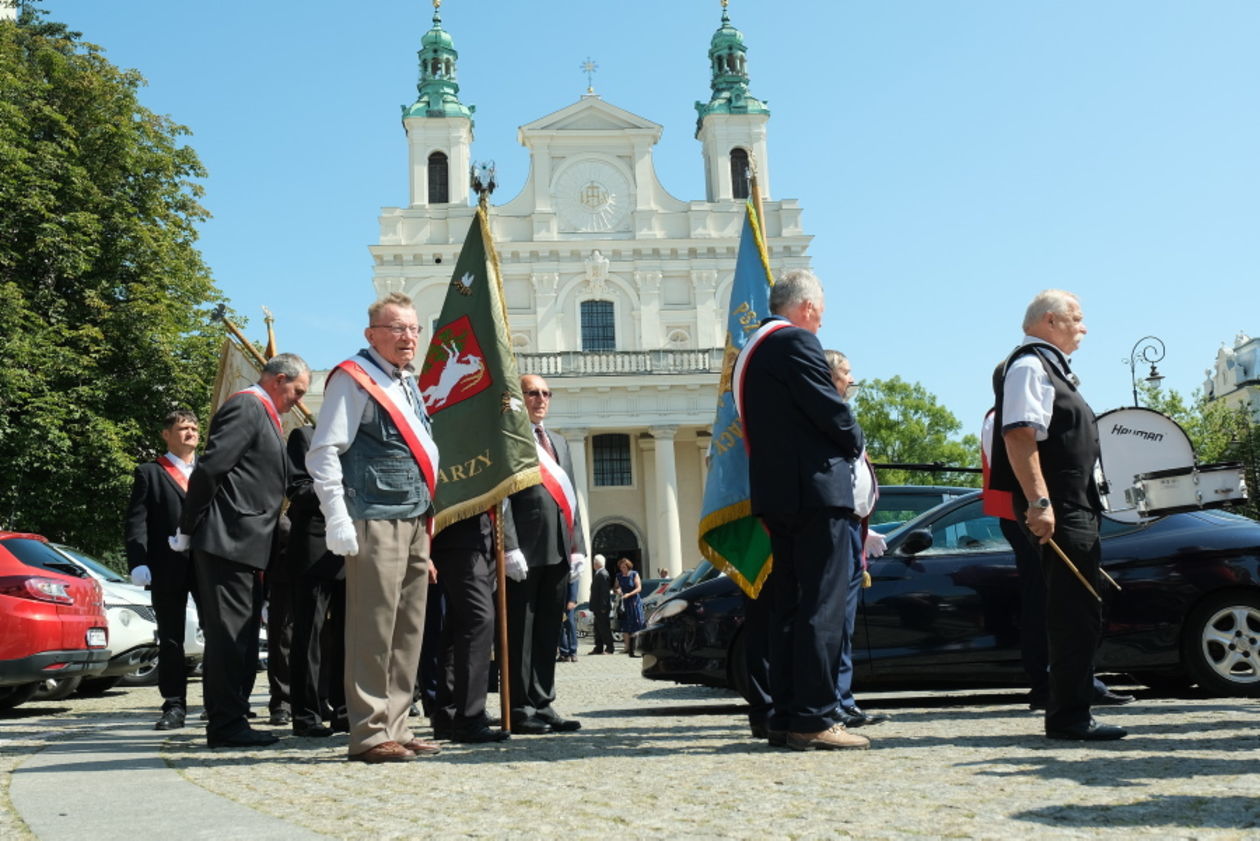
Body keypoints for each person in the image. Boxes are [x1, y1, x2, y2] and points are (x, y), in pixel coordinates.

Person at [734, 268, 869, 751]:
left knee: (789, 608)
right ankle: (813, 716)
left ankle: (786, 715)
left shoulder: (753, 348)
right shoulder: (796, 342)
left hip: (779, 495)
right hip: (816, 494)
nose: (821, 322)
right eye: (822, 312)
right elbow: (829, 411)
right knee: (823, 607)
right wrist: (856, 437)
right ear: (808, 307)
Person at [306, 292, 443, 763]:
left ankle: (398, 727)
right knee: (373, 626)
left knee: (408, 629)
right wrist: (337, 516)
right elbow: (324, 451)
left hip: (412, 517)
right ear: (372, 335)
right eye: (397, 329)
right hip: (374, 515)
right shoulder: (354, 380)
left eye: (413, 329)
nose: (408, 338)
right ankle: (367, 732)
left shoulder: (408, 383)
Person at [986, 289, 1126, 741]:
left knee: (1080, 607)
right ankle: (1069, 717)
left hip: (1072, 504)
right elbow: (1020, 436)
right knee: (1072, 610)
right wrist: (1040, 502)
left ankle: (1074, 709)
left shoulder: (1052, 368)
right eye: (1078, 319)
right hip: (1060, 506)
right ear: (1051, 320)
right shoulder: (1030, 365)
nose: (1084, 328)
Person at [175, 353, 310, 748]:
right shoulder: (247, 405)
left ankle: (232, 719)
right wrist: (187, 527)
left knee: (242, 637)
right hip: (228, 539)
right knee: (230, 637)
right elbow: (211, 468)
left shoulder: (265, 411)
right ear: (278, 379)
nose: (298, 401)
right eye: (297, 391)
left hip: (245, 542)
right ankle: (225, 724)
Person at [504, 373, 587, 734]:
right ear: (519, 398)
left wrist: (578, 546)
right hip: (524, 547)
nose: (540, 399)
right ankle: (520, 707)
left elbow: (571, 498)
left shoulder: (558, 441)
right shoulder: (509, 438)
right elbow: (501, 496)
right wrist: (508, 546)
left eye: (546, 393)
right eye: (532, 393)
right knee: (521, 631)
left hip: (557, 548)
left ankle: (543, 701)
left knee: (548, 630)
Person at [822, 350, 889, 729]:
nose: (851, 379)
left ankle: (843, 698)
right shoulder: (828, 414)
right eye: (846, 372)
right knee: (835, 620)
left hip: (852, 526)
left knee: (845, 622)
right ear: (830, 376)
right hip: (836, 524)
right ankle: (833, 699)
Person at [124, 409, 201, 731]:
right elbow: (136, 521)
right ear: (166, 434)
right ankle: (174, 705)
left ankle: (221, 703)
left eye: (195, 428)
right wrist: (138, 561)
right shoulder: (150, 472)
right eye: (183, 428)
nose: (191, 433)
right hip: (166, 566)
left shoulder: (210, 470)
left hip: (207, 563)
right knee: (171, 639)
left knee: (219, 634)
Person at [428, 508, 514, 744]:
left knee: (458, 625)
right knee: (479, 619)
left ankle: (449, 715)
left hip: (476, 535)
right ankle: (469, 717)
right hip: (459, 534)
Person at [285, 424, 347, 738]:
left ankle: (345, 710)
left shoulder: (359, 440)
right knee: (309, 634)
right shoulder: (305, 436)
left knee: (349, 635)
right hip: (314, 546)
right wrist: (340, 487)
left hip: (352, 549)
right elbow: (297, 488)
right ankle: (306, 714)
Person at [614, 558, 644, 657]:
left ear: (628, 566)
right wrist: (618, 590)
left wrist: (629, 594)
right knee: (625, 624)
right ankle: (627, 647)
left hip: (634, 602)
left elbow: (639, 588)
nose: (622, 569)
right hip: (624, 603)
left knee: (636, 623)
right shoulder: (619, 576)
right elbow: (616, 587)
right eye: (621, 567)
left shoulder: (634, 574)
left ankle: (637, 646)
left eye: (624, 567)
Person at [588, 554, 615, 655]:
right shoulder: (599, 573)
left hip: (601, 607)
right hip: (597, 606)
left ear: (597, 563)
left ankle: (609, 648)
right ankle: (598, 647)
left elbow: (604, 592)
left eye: (594, 563)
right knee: (597, 628)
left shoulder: (603, 574)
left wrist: (603, 606)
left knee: (604, 628)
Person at [557, 575, 579, 663]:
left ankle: (573, 652)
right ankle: (564, 652)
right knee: (559, 626)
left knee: (570, 624)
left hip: (568, 603)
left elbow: (575, 582)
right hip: (558, 602)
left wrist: (572, 600)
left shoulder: (571, 566)